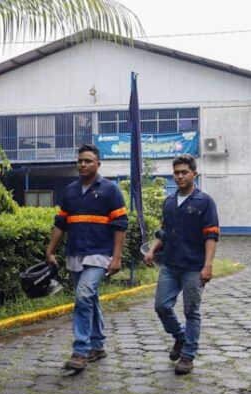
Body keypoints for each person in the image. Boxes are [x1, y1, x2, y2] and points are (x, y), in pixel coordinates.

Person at [46, 144, 128, 371]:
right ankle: (98, 345)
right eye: (80, 160)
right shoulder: (70, 191)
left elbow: (120, 225)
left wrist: (117, 257)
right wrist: (50, 250)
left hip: (100, 254)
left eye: (88, 161)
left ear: (98, 164)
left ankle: (80, 351)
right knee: (89, 299)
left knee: (83, 296)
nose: (83, 164)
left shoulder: (110, 190)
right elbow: (60, 223)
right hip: (75, 253)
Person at [144, 154, 219, 375]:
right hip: (170, 264)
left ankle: (188, 355)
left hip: (194, 266)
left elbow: (211, 236)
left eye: (184, 172)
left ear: (194, 174)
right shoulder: (169, 202)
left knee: (191, 311)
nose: (179, 176)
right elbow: (165, 231)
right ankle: (180, 336)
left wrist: (208, 265)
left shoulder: (205, 202)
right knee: (162, 306)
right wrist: (152, 249)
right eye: (176, 172)